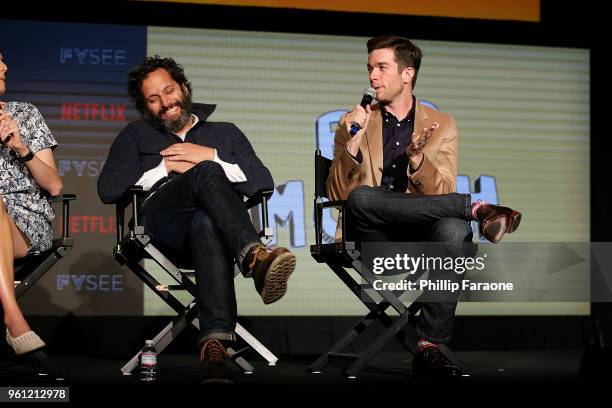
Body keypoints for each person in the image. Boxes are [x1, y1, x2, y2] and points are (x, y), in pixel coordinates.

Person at [327, 35, 522, 377]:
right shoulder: (354, 121)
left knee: (454, 229)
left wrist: (417, 161)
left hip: (420, 240)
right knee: (361, 197)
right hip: (372, 243)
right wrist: (353, 144)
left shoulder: (442, 125)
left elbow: (441, 191)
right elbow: (339, 195)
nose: (372, 76)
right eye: (370, 68)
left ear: (407, 74)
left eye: (381, 68)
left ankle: (429, 345)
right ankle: (477, 208)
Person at [97, 56, 296, 384]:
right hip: (163, 228)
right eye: (153, 99)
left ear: (184, 89)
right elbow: (108, 189)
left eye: (169, 91)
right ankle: (254, 256)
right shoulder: (136, 135)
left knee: (206, 218)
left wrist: (211, 157)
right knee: (206, 176)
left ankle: (214, 347)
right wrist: (165, 168)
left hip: (214, 234)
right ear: (145, 107)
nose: (165, 103)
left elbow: (262, 182)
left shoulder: (225, 133)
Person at [0, 52, 63, 355]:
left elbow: (54, 184)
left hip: (24, 225)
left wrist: (20, 146)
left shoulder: (23, 113)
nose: (5, 66)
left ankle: (13, 319)